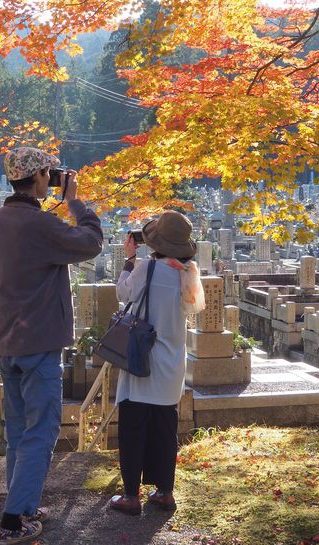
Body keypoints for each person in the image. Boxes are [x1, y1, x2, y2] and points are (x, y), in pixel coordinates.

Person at [0, 147, 103, 544]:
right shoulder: (39, 225)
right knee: (42, 431)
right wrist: (75, 201)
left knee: (18, 430)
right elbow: (91, 242)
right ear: (37, 179)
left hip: (5, 341)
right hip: (40, 343)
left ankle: (24, 503)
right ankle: (13, 521)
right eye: (48, 173)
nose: (52, 178)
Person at [109, 210, 205, 516]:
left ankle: (130, 496)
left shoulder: (147, 269)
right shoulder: (188, 274)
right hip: (173, 362)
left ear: (156, 243)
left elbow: (123, 293)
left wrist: (128, 260)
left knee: (133, 428)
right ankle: (164, 491)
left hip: (143, 359)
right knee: (165, 429)